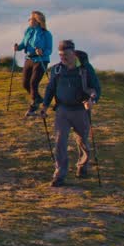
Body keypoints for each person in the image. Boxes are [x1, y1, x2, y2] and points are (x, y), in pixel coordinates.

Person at [40, 39, 102, 186]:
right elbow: (50, 89)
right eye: (60, 55)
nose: (63, 58)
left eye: (66, 54)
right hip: (62, 110)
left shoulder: (86, 69)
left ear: (73, 53)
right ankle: (59, 175)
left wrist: (92, 100)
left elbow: (96, 88)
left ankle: (82, 166)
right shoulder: (56, 69)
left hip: (81, 110)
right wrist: (44, 106)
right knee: (60, 142)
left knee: (83, 141)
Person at [14, 10, 53, 118]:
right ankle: (38, 99)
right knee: (25, 83)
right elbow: (24, 43)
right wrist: (19, 47)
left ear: (37, 21)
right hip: (29, 59)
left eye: (30, 19)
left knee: (33, 83)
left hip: (41, 60)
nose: (29, 20)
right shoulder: (28, 31)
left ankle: (34, 105)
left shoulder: (46, 34)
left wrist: (42, 52)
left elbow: (49, 49)